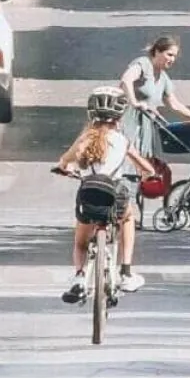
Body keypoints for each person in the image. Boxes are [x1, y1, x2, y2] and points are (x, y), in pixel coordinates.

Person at [56, 86, 156, 302]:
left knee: (81, 242)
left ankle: (80, 278)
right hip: (115, 194)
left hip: (88, 194)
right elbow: (146, 168)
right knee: (127, 218)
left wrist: (66, 168)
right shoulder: (122, 141)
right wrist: (149, 175)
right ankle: (126, 271)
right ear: (119, 117)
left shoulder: (84, 139)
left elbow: (64, 161)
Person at [120, 35, 190, 162]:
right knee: (127, 160)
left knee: (144, 164)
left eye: (174, 56)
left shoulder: (163, 77)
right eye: (169, 54)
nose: (172, 59)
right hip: (128, 121)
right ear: (157, 51)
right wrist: (134, 102)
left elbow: (174, 104)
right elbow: (126, 79)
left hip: (146, 126)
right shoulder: (143, 64)